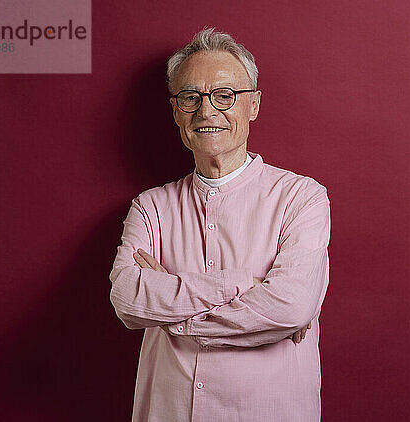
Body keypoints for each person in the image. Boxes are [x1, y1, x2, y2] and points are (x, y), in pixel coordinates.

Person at [109, 27, 331, 422]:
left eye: (225, 95)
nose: (207, 111)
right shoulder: (150, 207)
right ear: (176, 110)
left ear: (254, 105)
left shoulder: (302, 197)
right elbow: (127, 299)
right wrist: (247, 286)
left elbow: (291, 308)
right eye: (191, 97)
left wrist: (171, 314)